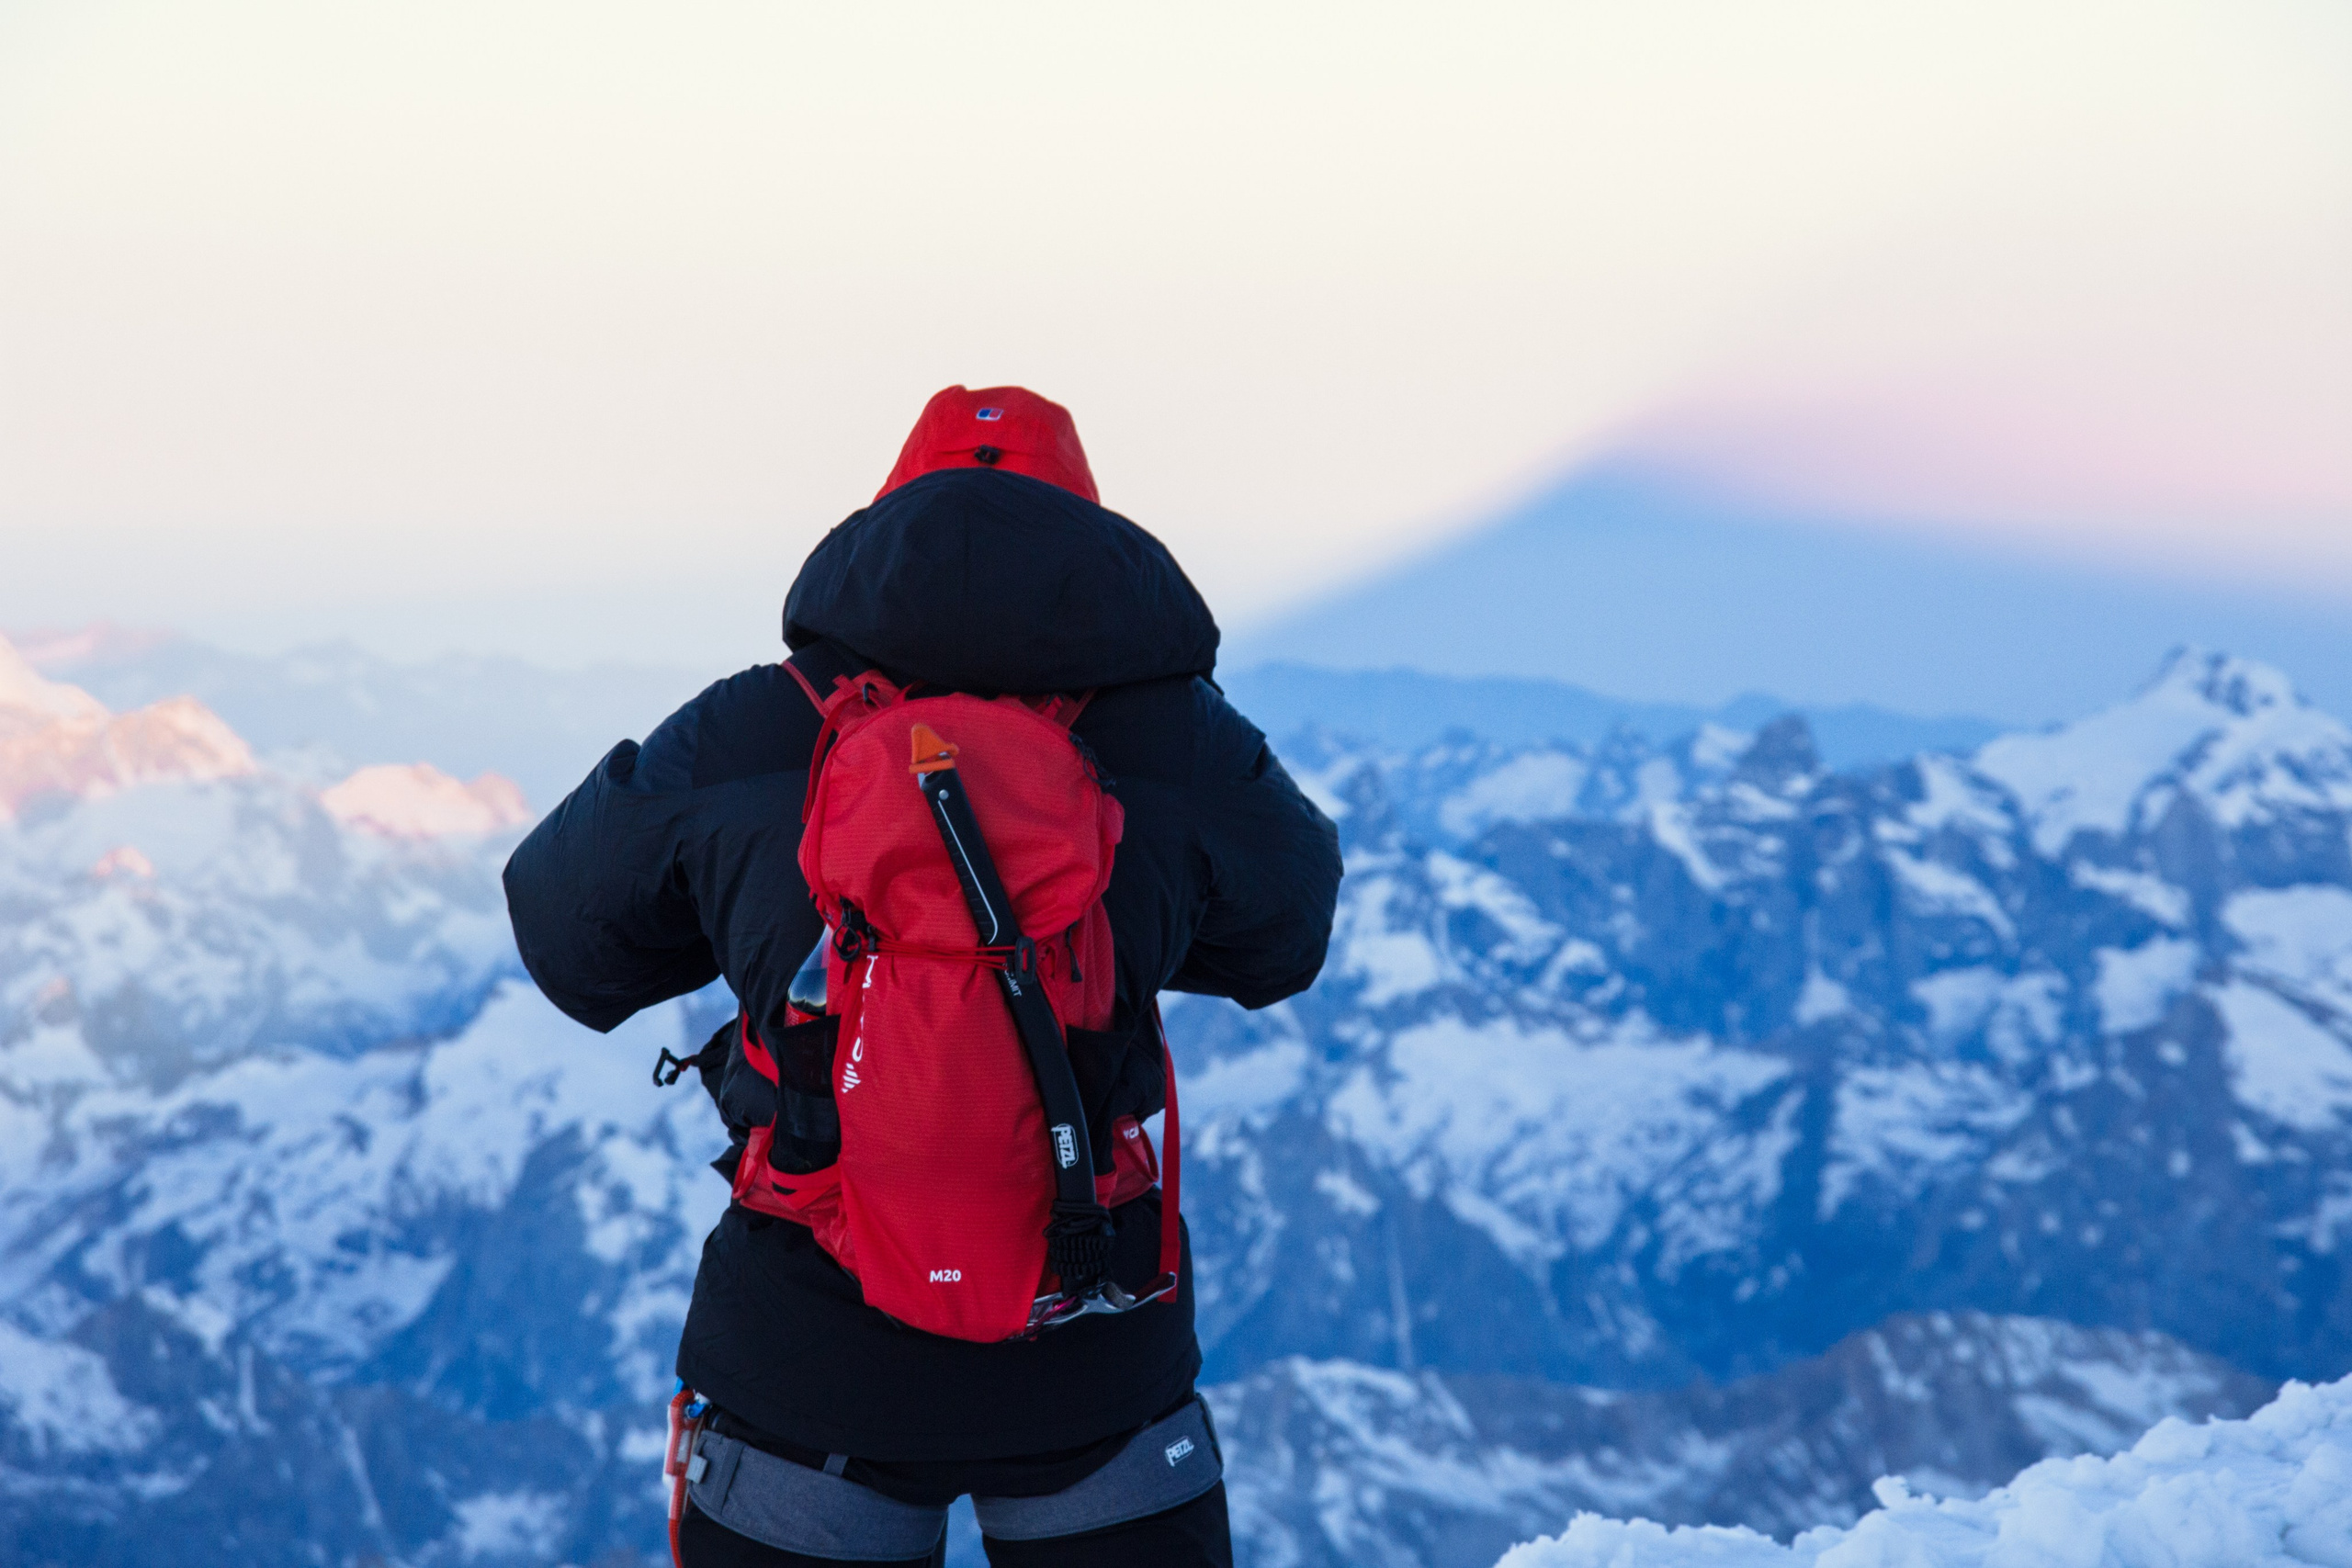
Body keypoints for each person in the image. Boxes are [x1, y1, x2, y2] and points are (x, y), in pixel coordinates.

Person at [503, 385, 1342, 1567]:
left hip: (806, 1354)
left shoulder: (758, 727)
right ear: (1090, 534)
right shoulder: (1180, 742)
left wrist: (755, 905)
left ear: (882, 521)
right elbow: (1285, 938)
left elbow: (565, 934)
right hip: (1090, 1338)